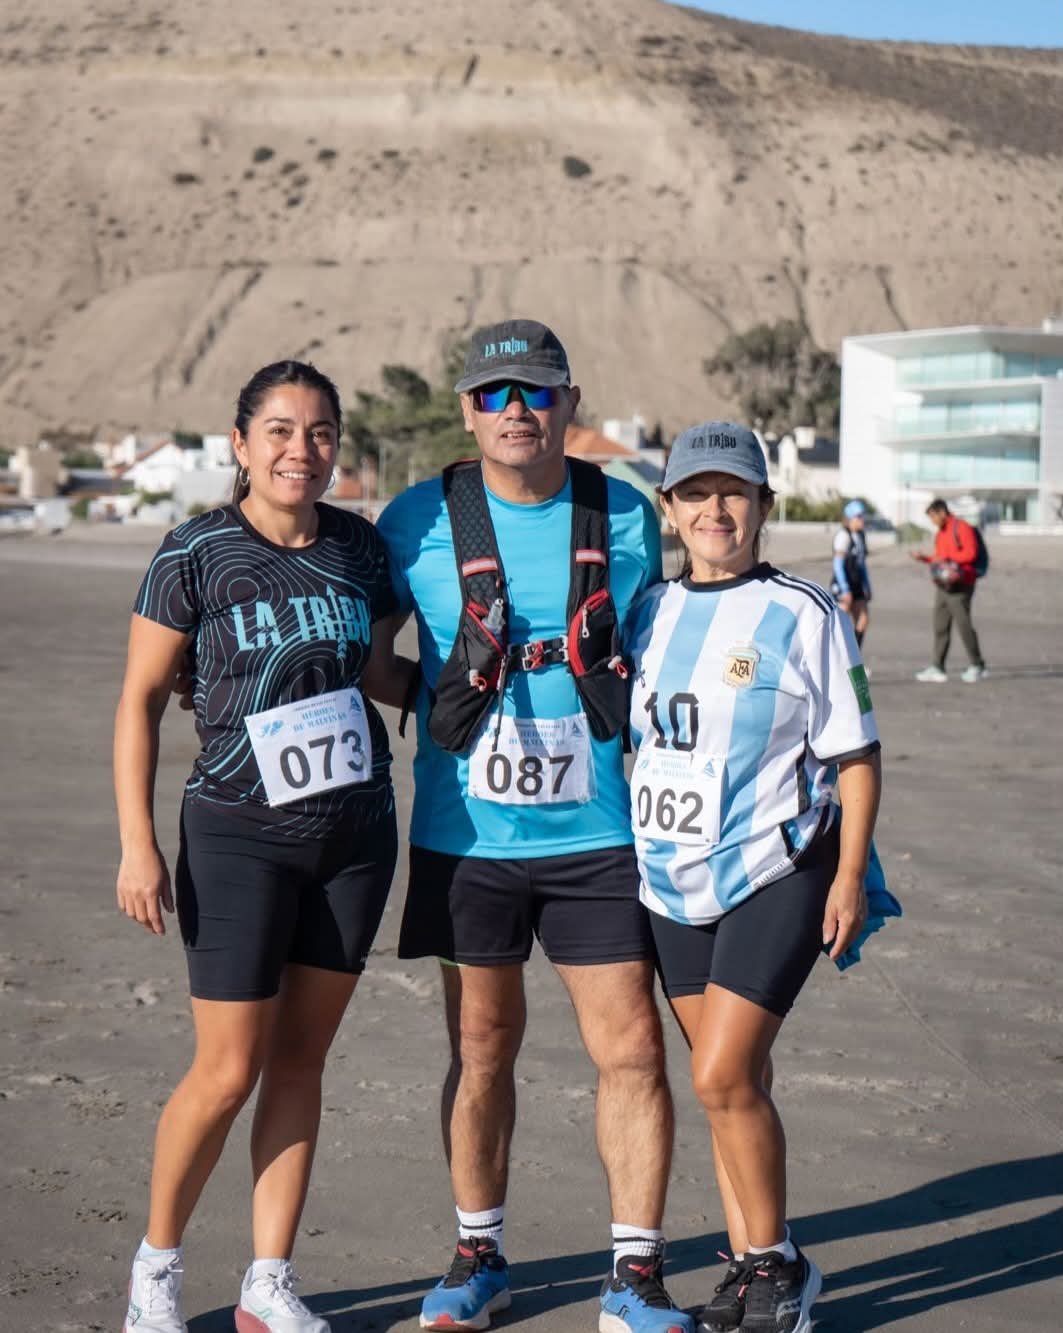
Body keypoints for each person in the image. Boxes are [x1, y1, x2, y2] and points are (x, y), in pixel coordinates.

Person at [376, 320, 694, 1333]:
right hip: (464, 839)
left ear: (568, 403)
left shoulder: (627, 513)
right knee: (480, 1046)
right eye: (495, 394)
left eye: (536, 392)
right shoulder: (413, 520)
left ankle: (634, 1275)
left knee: (634, 1048)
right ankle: (478, 1255)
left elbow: (672, 651)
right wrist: (436, 700)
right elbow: (363, 651)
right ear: (467, 411)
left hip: (598, 836)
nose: (516, 410)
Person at [114, 360, 415, 1333]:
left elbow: (376, 672)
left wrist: (468, 692)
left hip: (355, 839)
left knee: (299, 1063)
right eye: (280, 430)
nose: (301, 449)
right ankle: (156, 1269)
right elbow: (141, 701)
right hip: (237, 837)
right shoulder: (195, 552)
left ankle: (268, 1281)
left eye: (320, 431)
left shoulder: (360, 549)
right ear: (241, 444)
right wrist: (137, 844)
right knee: (227, 1068)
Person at [627, 423, 883, 1333]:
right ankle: (749, 1266)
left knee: (721, 1074)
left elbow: (855, 755)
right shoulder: (646, 611)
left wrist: (848, 877)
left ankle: (777, 1268)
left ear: (764, 506)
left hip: (779, 868)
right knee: (731, 1082)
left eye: (733, 492)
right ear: (669, 509)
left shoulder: (803, 612)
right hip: (670, 879)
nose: (715, 509)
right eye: (695, 493)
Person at [910, 498, 988, 682]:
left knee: (963, 625)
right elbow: (939, 558)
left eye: (933, 517)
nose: (932, 521)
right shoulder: (941, 533)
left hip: (961, 584)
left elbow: (970, 553)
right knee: (940, 626)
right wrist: (924, 558)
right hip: (944, 585)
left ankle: (977, 665)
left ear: (942, 512)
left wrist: (946, 556)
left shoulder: (962, 527)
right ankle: (938, 667)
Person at [830, 498, 871, 650]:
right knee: (840, 619)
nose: (862, 519)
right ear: (850, 518)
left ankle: (854, 655)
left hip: (857, 582)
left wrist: (867, 585)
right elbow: (838, 565)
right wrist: (845, 588)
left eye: (863, 516)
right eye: (859, 516)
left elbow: (861, 564)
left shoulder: (861, 535)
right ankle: (835, 653)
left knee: (863, 618)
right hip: (843, 583)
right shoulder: (843, 536)